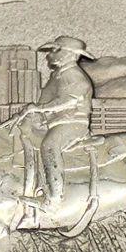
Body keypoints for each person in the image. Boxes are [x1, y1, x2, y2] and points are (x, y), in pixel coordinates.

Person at [22, 35, 95, 209]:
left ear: (70, 54)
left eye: (55, 50)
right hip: (54, 122)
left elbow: (69, 100)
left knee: (49, 147)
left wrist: (40, 108)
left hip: (72, 123)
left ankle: (53, 199)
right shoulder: (57, 75)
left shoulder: (73, 75)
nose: (49, 55)